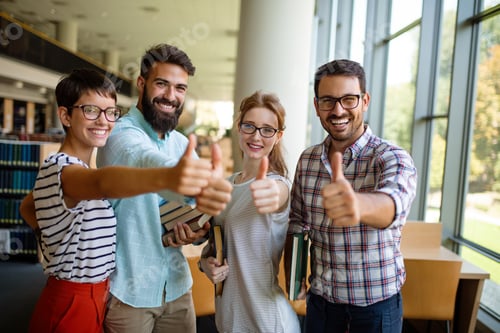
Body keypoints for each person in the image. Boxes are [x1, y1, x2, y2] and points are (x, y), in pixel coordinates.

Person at [19, 68, 218, 333]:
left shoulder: (78, 171)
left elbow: (27, 206)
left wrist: (56, 242)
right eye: (91, 110)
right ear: (65, 115)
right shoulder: (63, 169)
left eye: (111, 112)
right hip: (72, 300)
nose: (103, 121)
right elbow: (104, 183)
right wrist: (168, 178)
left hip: (94, 296)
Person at [95, 44, 232, 333]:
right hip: (129, 295)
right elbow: (145, 160)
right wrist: (182, 178)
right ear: (142, 84)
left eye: (180, 88)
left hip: (177, 288)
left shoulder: (181, 144)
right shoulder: (119, 135)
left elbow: (195, 212)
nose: (171, 96)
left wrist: (197, 232)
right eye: (162, 84)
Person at [285, 59, 417, 333]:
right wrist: (294, 278)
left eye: (348, 99)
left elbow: (393, 205)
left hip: (376, 309)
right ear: (316, 105)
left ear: (365, 100)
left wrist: (358, 204)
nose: (338, 110)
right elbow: (297, 224)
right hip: (321, 306)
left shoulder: (391, 157)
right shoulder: (308, 159)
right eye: (328, 101)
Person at [199, 91, 301, 333]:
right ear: (239, 127)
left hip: (267, 322)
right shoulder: (226, 184)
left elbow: (278, 196)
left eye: (267, 130)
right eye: (250, 126)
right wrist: (206, 264)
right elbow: (216, 245)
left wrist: (269, 193)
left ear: (278, 137)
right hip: (228, 319)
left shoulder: (279, 186)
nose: (257, 136)